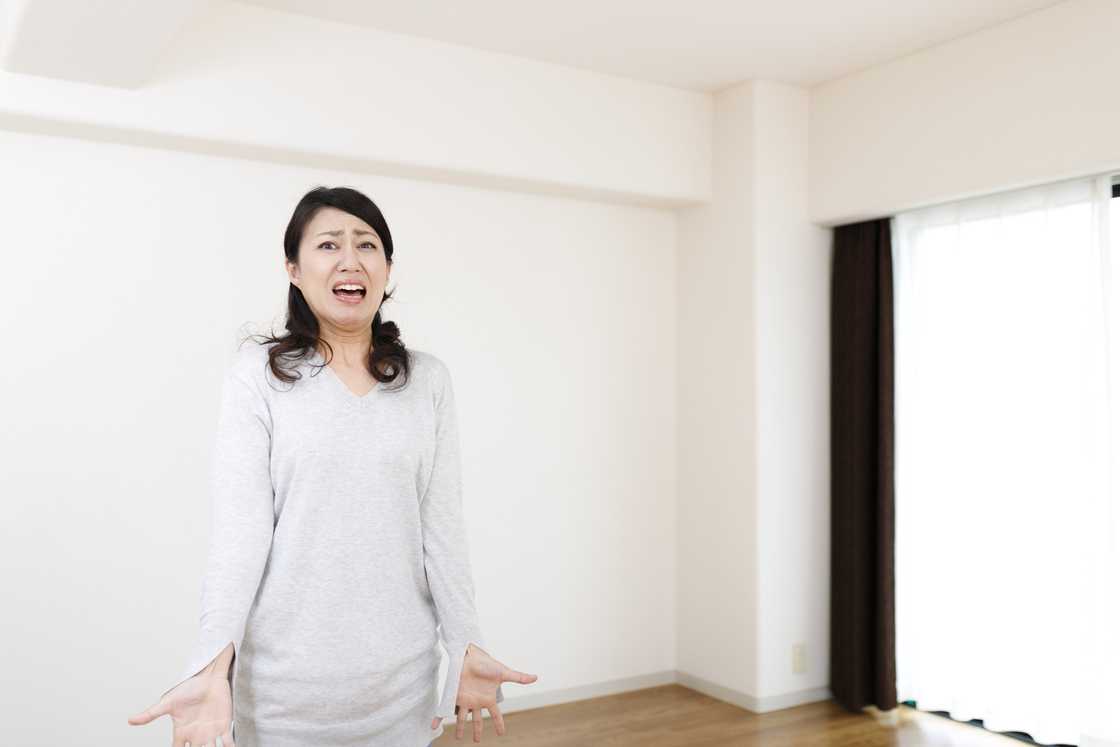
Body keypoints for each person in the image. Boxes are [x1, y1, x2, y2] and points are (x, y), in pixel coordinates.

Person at [127, 186, 537, 746]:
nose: (350, 259)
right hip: (284, 696)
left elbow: (440, 530)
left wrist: (465, 642)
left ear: (387, 269)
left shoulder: (428, 382)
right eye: (328, 245)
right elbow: (240, 536)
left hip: (400, 689)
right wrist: (211, 663)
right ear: (294, 268)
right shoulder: (259, 377)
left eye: (367, 244)